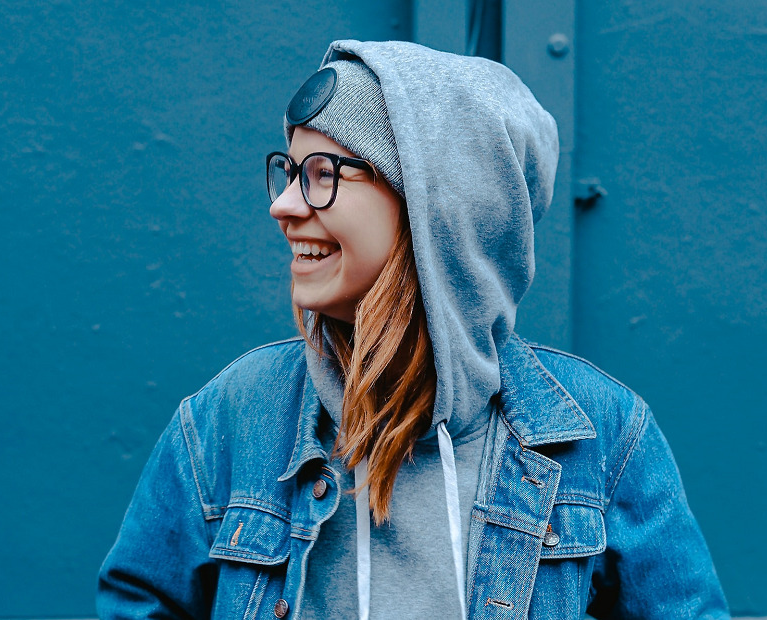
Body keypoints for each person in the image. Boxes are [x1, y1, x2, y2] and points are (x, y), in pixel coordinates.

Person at [97, 39, 730, 619]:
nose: (284, 206)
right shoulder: (229, 421)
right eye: (289, 173)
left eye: (322, 175)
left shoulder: (602, 439)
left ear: (439, 208)